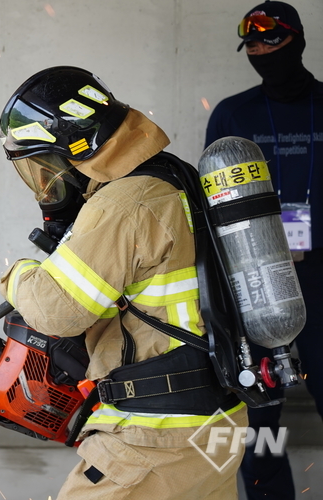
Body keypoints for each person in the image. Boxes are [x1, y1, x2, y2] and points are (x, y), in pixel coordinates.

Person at [0, 66, 248, 499]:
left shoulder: (124, 202)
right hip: (216, 422)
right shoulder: (176, 176)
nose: (47, 182)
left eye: (46, 165)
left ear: (75, 149)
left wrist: (18, 274)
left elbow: (56, 312)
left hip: (155, 435)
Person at [205, 2, 323, 498]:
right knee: (258, 409)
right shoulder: (234, 114)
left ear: (296, 40)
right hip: (253, 276)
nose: (259, 51)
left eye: (269, 41)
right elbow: (213, 199)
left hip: (319, 277)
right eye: (251, 45)